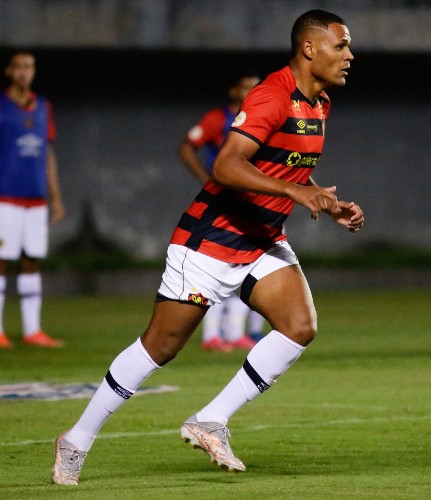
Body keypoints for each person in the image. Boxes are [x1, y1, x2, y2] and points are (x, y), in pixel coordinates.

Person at [52, 9, 362, 485]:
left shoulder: (319, 103)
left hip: (261, 240)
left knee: (299, 325)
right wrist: (298, 195)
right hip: (211, 240)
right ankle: (76, 440)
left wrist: (326, 200)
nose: (349, 55)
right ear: (309, 48)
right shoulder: (271, 96)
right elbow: (226, 167)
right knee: (161, 346)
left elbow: (287, 167)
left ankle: (210, 419)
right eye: (340, 46)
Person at [178, 70, 265, 352]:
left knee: (248, 269)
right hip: (225, 205)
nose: (251, 92)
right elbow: (187, 147)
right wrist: (207, 179)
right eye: (246, 87)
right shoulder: (218, 119)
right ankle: (212, 336)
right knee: (217, 269)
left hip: (258, 204)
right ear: (234, 92)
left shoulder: (265, 118)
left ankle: (236, 333)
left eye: (256, 87)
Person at [0, 51, 65, 349]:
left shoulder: (43, 107)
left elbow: (47, 153)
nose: (24, 72)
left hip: (35, 200)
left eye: (29, 67)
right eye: (19, 67)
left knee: (31, 261)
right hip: (6, 197)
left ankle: (32, 330)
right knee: (2, 261)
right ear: (9, 72)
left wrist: (55, 196)